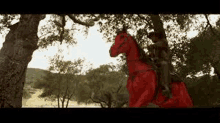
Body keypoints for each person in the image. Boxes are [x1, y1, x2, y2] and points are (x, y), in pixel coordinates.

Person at [147, 31, 172, 99]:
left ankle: (166, 87)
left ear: (156, 36)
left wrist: (151, 46)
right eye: (150, 38)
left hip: (164, 61)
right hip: (156, 63)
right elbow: (152, 56)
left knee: (164, 64)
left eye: (152, 37)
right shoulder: (154, 47)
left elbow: (159, 45)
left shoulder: (163, 42)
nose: (151, 40)